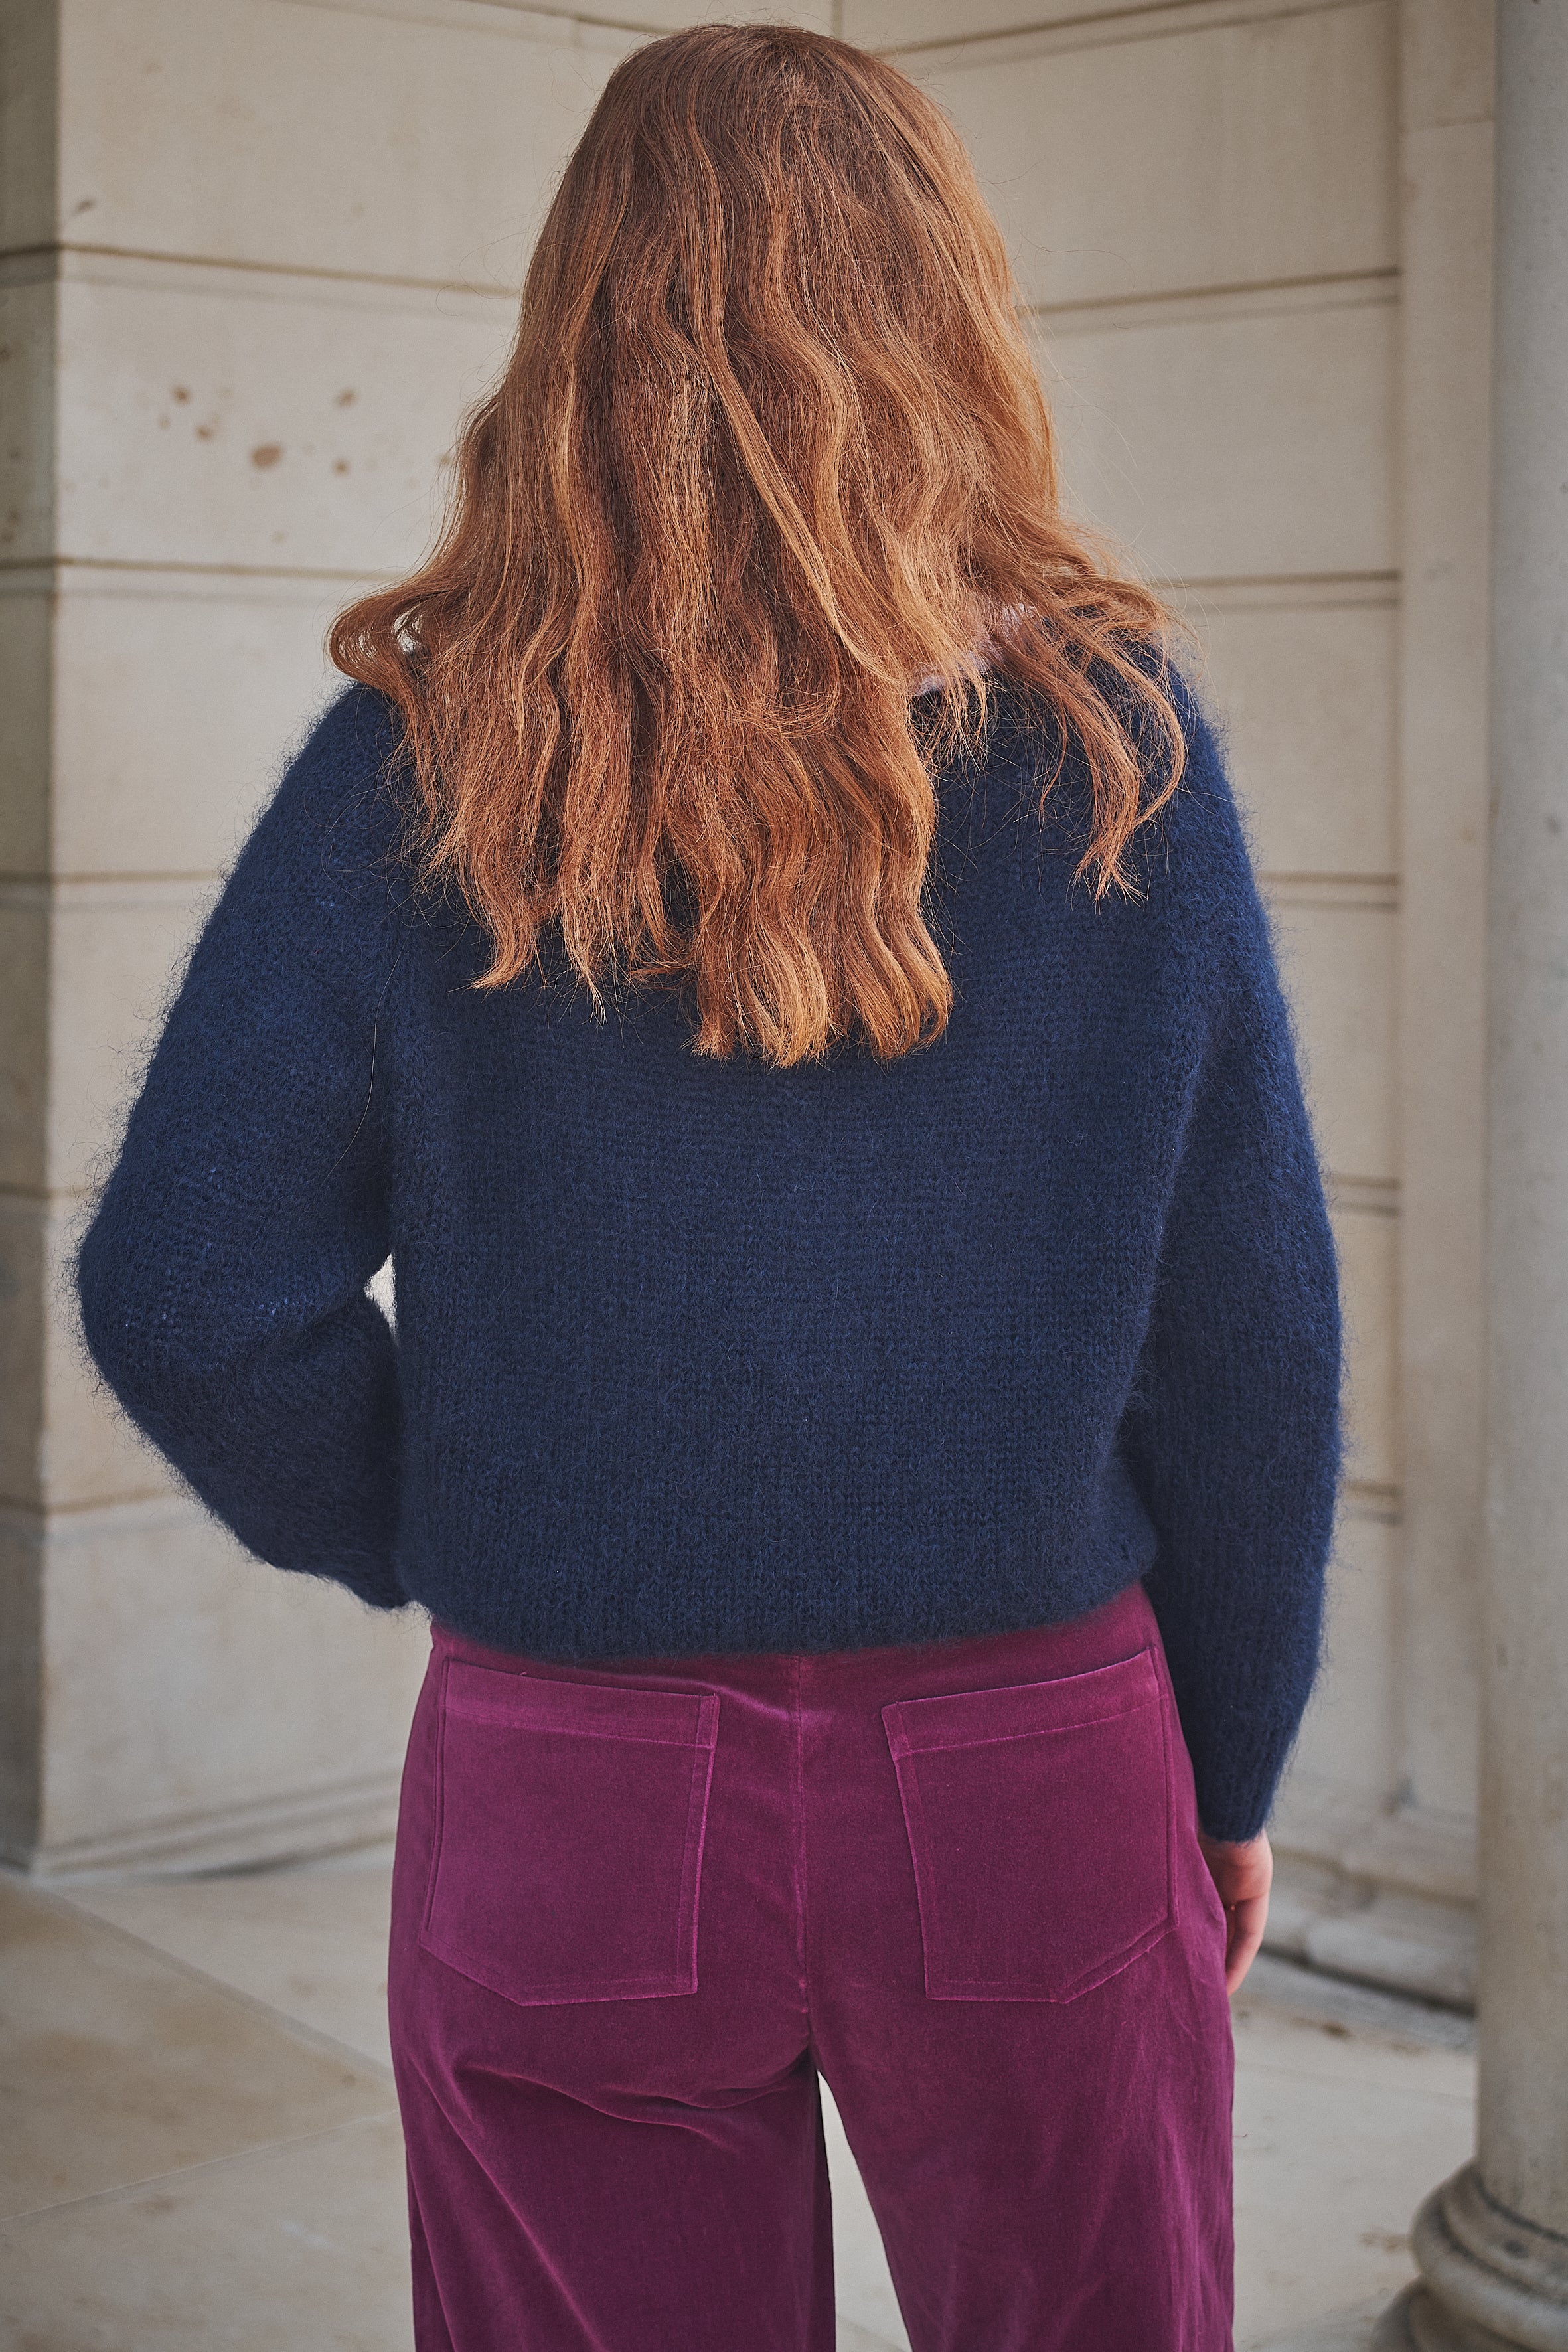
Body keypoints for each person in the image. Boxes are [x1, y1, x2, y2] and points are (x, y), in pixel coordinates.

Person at [76, 23, 1340, 2351]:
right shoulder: (1113, 751)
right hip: (1037, 1760)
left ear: (586, 327)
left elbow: (186, 1288)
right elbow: (1242, 1341)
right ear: (940, 312)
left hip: (575, 1755)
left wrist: (476, 1521)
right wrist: (1227, 1765)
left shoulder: (425, 757)